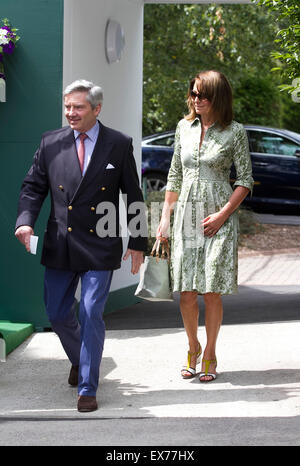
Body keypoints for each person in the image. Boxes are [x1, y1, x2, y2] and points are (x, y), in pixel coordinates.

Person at [15, 79, 147, 412]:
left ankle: (88, 386)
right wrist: (25, 220)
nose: (71, 113)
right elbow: (33, 186)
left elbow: (132, 194)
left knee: (90, 312)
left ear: (96, 109)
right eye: (68, 107)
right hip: (60, 243)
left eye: (79, 107)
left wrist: (138, 242)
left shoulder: (118, 144)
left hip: (100, 244)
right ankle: (79, 359)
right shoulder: (51, 142)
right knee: (58, 314)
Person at [157, 70, 254, 382]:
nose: (196, 100)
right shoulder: (183, 128)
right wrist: (163, 220)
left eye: (203, 95)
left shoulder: (234, 131)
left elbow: (245, 180)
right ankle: (192, 346)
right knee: (186, 292)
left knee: (212, 290)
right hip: (186, 214)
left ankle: (210, 352)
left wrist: (223, 215)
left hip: (218, 217)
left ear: (218, 98)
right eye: (193, 93)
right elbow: (174, 175)